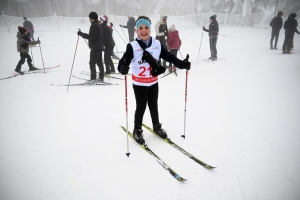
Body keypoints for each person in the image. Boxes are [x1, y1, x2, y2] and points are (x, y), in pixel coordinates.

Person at [117, 16, 191, 145]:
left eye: (146, 28)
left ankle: (156, 126)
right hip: (139, 83)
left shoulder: (157, 44)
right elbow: (123, 62)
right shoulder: (132, 46)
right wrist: (122, 68)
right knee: (141, 106)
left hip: (152, 82)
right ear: (136, 30)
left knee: (153, 105)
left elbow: (168, 56)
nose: (144, 30)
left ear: (150, 30)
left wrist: (181, 64)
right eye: (140, 28)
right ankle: (137, 130)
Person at [77, 12, 104, 83]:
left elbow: (92, 36)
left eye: (90, 18)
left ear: (92, 18)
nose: (89, 19)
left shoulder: (94, 25)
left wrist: (81, 34)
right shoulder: (97, 25)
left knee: (92, 63)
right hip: (98, 47)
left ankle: (93, 79)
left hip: (96, 47)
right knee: (99, 62)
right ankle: (101, 77)